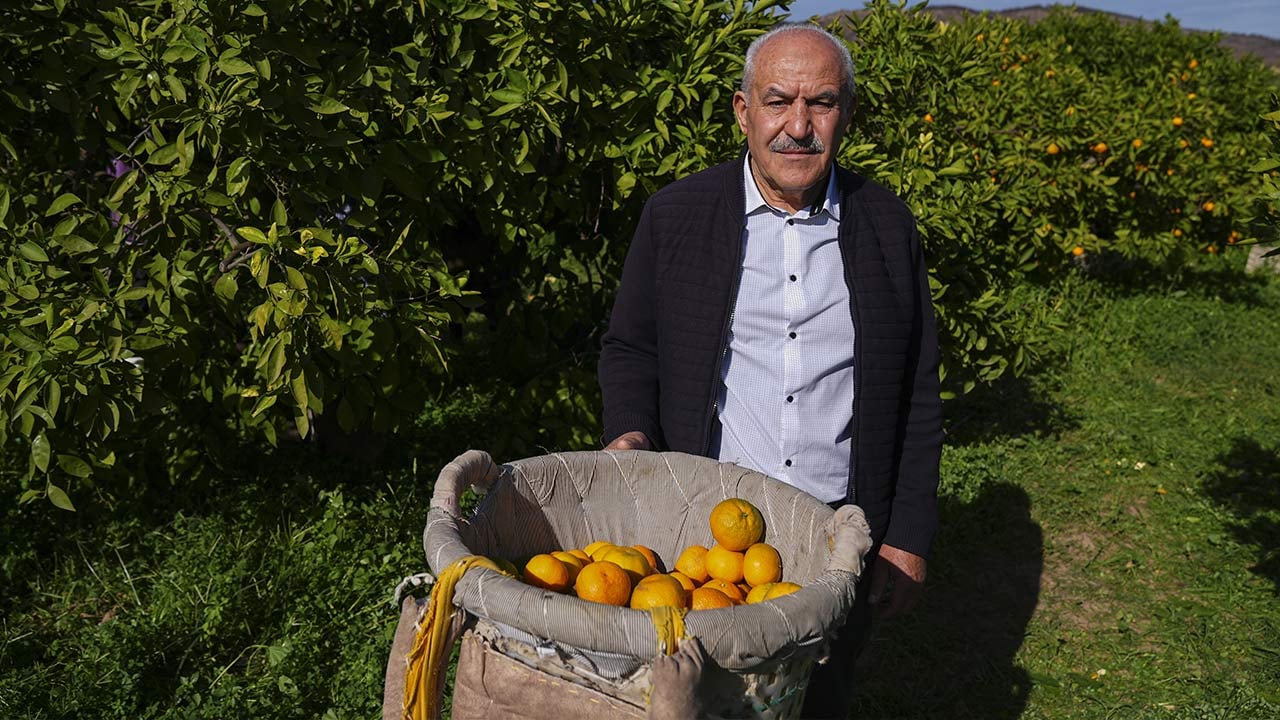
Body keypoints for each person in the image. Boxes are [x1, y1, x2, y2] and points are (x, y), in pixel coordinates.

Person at [597, 21, 944, 718]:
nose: (798, 126)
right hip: (707, 537)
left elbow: (916, 389)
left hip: (836, 535)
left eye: (821, 103)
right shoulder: (677, 217)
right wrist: (630, 432)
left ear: (846, 113)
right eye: (779, 101)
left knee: (820, 698)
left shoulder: (886, 225)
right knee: (695, 699)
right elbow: (631, 348)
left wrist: (906, 533)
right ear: (743, 110)